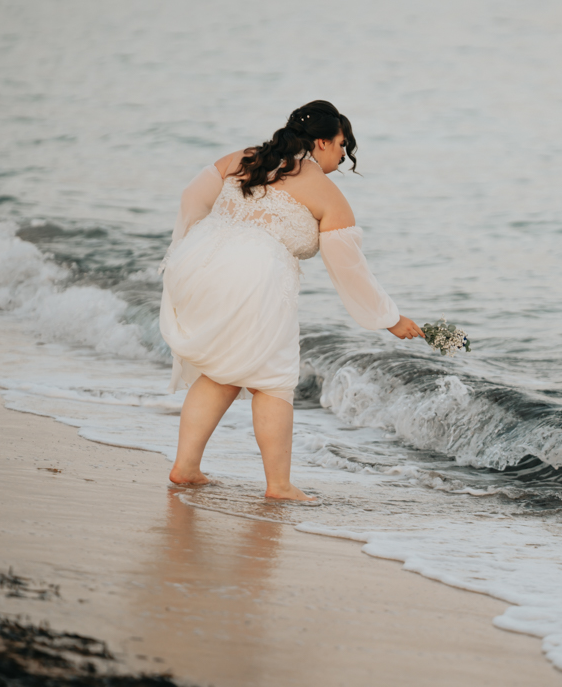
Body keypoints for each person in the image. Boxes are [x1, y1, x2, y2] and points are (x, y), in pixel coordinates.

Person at [158, 100, 422, 500]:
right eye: (340, 145)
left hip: (198, 265)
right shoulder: (328, 194)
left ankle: (186, 467)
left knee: (221, 370)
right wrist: (390, 318)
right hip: (257, 277)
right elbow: (350, 271)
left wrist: (195, 243)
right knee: (272, 381)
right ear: (320, 141)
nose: (342, 155)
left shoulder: (244, 158)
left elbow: (191, 196)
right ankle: (279, 486)